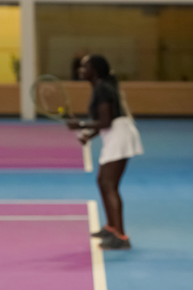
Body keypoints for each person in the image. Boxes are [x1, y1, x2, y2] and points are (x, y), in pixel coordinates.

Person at [67, 54, 143, 250]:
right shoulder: (101, 86)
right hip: (115, 133)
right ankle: (111, 227)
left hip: (120, 135)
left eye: (85, 67)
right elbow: (105, 120)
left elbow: (107, 121)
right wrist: (89, 135)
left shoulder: (102, 88)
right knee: (104, 182)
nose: (81, 71)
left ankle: (121, 237)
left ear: (95, 70)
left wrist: (81, 124)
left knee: (109, 184)